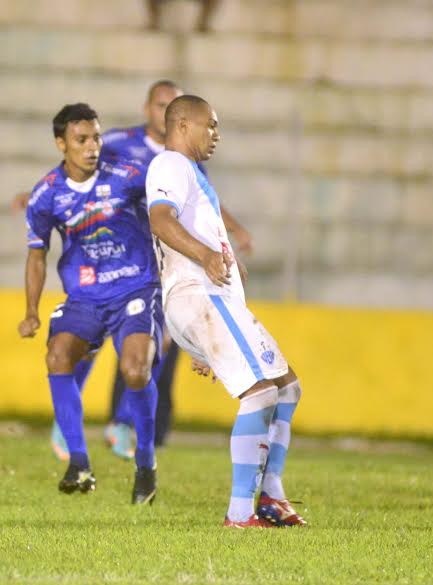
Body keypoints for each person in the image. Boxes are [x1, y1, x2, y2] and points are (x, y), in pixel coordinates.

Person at [146, 94, 305, 528]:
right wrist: (208, 256)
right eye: (210, 125)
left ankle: (271, 494)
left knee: (286, 387)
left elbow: (192, 227)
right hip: (200, 297)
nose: (216, 134)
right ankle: (240, 512)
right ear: (183, 125)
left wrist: (226, 259)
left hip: (211, 301)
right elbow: (160, 219)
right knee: (261, 393)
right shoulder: (171, 164)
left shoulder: (192, 173)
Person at [95, 79, 253, 458]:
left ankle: (143, 427)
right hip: (131, 259)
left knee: (160, 345)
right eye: (160, 104)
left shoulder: (186, 162)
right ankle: (119, 422)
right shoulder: (121, 144)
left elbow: (204, 204)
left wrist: (229, 238)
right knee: (138, 340)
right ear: (149, 109)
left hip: (167, 262)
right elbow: (80, 169)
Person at [18, 103, 164, 504]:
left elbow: (168, 206)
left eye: (96, 137)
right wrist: (31, 311)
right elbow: (36, 254)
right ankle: (79, 463)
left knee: (135, 369)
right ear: (61, 144)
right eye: (81, 139)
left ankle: (146, 464)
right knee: (58, 355)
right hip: (85, 295)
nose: (92, 147)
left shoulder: (128, 176)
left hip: (136, 287)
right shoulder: (46, 194)